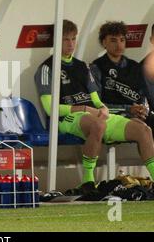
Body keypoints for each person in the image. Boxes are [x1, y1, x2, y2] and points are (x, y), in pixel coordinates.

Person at [34, 20, 154, 188]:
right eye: (66, 40)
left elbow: (96, 99)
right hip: (67, 118)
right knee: (98, 125)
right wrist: (84, 108)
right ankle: (88, 181)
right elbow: (50, 108)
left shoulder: (82, 66)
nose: (71, 44)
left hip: (93, 115)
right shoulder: (47, 68)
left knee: (143, 130)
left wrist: (102, 108)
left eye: (73, 39)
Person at [90, 21, 154, 133]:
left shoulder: (135, 66)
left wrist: (143, 109)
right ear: (104, 42)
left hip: (137, 115)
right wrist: (128, 109)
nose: (119, 45)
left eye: (122, 40)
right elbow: (97, 105)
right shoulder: (96, 67)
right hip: (113, 116)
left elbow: (144, 95)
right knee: (142, 130)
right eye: (113, 40)